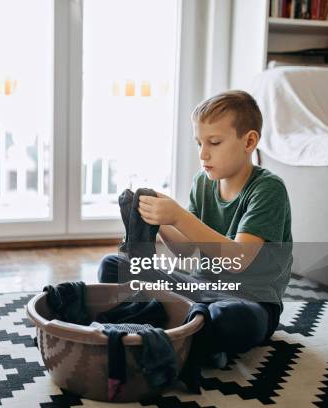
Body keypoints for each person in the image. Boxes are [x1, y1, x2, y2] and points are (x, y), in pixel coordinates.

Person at [98, 90, 292, 367]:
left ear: (249, 141)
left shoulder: (268, 189)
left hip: (250, 301)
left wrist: (178, 216)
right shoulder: (203, 181)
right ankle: (186, 330)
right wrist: (159, 218)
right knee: (112, 267)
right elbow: (185, 250)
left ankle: (165, 325)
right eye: (199, 142)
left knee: (232, 319)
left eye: (214, 142)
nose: (203, 153)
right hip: (199, 288)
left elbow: (238, 259)